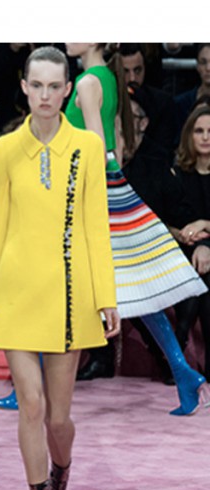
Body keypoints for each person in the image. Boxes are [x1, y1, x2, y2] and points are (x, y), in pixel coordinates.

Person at [0, 46, 120, 490]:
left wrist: (106, 296)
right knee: (31, 407)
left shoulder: (86, 147)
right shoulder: (3, 150)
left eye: (53, 86)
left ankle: (62, 472)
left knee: (59, 420)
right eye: (35, 85)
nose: (44, 95)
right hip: (16, 291)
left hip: (69, 293)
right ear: (23, 87)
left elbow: (95, 227)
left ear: (67, 90)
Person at [66, 43, 209, 415]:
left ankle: (30, 386)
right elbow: (114, 141)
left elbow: (96, 145)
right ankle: (183, 372)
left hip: (92, 191)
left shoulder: (87, 82)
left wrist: (82, 194)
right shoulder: (106, 78)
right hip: (107, 186)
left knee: (68, 280)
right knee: (133, 285)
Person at [172, 106, 210, 381]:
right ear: (189, 135)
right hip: (185, 249)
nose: (206, 137)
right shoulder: (177, 174)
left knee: (202, 276)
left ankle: (176, 351)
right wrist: (182, 233)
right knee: (198, 273)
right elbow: (165, 221)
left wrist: (204, 225)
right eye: (199, 131)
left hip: (204, 250)